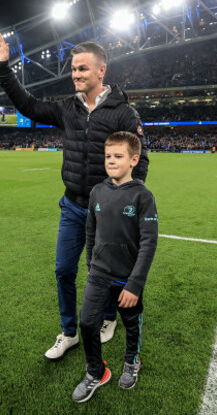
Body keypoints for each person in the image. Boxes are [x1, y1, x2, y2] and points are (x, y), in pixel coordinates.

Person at [0, 34, 149, 360]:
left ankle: (107, 318)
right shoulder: (67, 109)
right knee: (64, 270)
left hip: (106, 210)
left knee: (101, 272)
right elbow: (28, 105)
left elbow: (139, 160)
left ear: (101, 71)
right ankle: (69, 332)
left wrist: (124, 201)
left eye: (82, 69)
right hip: (73, 206)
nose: (76, 75)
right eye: (74, 69)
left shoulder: (123, 114)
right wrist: (3, 68)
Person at [72, 131, 158, 403]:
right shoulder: (97, 191)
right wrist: (90, 264)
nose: (111, 161)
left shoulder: (143, 196)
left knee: (131, 325)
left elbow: (148, 242)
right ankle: (96, 371)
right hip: (98, 273)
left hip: (126, 278)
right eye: (108, 156)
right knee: (87, 323)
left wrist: (135, 284)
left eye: (118, 156)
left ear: (134, 160)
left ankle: (132, 361)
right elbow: (90, 231)